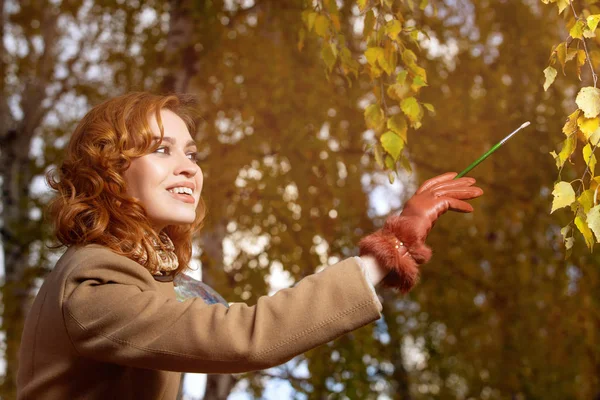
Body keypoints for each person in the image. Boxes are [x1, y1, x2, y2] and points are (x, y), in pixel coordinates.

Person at [16, 92, 483, 399]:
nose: (188, 168)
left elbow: (229, 319)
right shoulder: (93, 283)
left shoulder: (155, 279)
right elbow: (246, 336)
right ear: (108, 172)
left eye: (191, 154)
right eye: (161, 150)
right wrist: (390, 245)